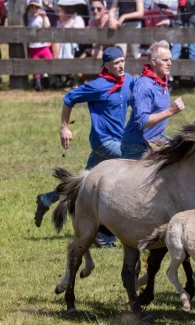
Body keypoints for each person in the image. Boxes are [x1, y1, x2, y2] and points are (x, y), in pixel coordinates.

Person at [34, 47, 134, 248]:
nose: (121, 65)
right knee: (134, 165)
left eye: (123, 61)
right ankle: (104, 234)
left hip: (118, 139)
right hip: (104, 142)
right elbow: (69, 98)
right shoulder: (98, 86)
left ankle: (46, 199)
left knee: (81, 184)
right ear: (105, 65)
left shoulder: (128, 80)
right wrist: (64, 127)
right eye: (116, 62)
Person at [121, 41, 185, 160]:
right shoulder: (145, 86)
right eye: (165, 60)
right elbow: (142, 122)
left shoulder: (161, 80)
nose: (170, 63)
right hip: (136, 147)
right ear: (154, 62)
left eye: (170, 59)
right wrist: (170, 111)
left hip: (154, 141)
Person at [26, 0, 52, 91]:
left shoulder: (42, 18)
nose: (33, 10)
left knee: (48, 60)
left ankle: (46, 79)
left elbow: (46, 27)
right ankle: (37, 83)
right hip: (33, 46)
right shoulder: (28, 18)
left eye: (36, 8)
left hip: (43, 45)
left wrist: (44, 17)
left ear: (39, 9)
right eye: (31, 8)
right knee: (35, 63)